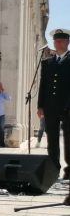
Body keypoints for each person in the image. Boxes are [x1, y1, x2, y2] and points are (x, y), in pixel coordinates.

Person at [37, 28, 70, 179]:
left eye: (61, 41)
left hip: (67, 107)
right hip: (50, 107)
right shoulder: (48, 62)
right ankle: (53, 169)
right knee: (52, 139)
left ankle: (69, 170)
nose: (58, 43)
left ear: (67, 42)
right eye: (56, 41)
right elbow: (43, 85)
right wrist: (40, 106)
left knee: (68, 139)